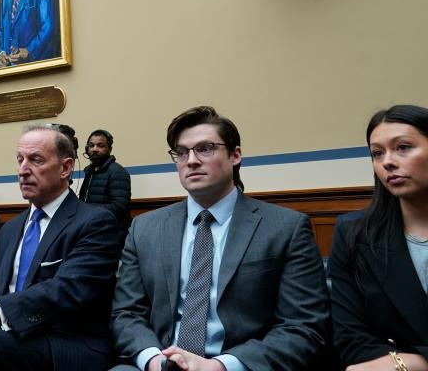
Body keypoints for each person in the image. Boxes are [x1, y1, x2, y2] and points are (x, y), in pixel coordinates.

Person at [110, 105, 329, 371]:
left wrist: (221, 366)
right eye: (181, 152)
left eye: (205, 148)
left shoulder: (285, 228)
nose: (190, 160)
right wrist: (154, 360)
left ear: (235, 155)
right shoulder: (144, 228)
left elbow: (303, 328)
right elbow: (126, 314)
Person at [0, 125, 121, 371]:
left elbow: (67, 289)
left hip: (68, 342)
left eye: (36, 160)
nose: (23, 170)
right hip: (12, 337)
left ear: (65, 168)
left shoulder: (95, 222)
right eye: (20, 160)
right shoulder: (10, 229)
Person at [329, 104, 428, 369]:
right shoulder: (353, 233)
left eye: (403, 147)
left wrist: (415, 362)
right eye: (377, 153)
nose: (387, 162)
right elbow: (349, 338)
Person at [79, 129, 132, 234]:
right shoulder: (90, 171)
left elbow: (119, 207)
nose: (95, 149)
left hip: (112, 232)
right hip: (92, 228)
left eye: (100, 146)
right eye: (91, 145)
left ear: (110, 149)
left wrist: (86, 210)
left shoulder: (118, 172)